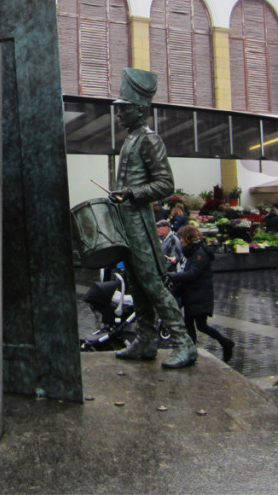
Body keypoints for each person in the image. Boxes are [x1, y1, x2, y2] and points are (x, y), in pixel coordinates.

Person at [107, 68, 197, 370]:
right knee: (136, 282)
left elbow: (165, 185)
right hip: (126, 221)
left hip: (140, 223)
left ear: (140, 110)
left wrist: (131, 193)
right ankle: (145, 341)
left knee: (151, 283)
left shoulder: (149, 139)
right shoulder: (131, 139)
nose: (118, 114)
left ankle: (184, 343)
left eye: (124, 109)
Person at [166, 224, 234, 362]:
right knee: (189, 323)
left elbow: (192, 273)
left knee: (201, 325)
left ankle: (225, 343)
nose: (180, 240)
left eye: (181, 237)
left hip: (200, 295)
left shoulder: (200, 254)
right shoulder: (192, 251)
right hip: (192, 294)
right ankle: (191, 351)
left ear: (187, 238)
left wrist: (175, 276)